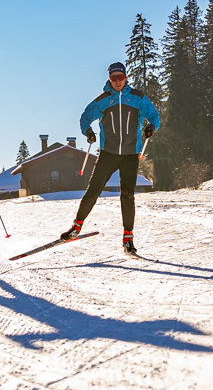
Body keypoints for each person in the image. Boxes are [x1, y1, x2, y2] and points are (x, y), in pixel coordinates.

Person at [61, 62, 161, 254]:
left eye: (120, 78)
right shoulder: (103, 100)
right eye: (113, 78)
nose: (117, 82)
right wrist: (88, 131)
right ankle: (76, 227)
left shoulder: (138, 98)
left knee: (127, 195)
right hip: (108, 153)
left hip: (131, 154)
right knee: (93, 191)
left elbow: (154, 115)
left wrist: (151, 127)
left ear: (125, 77)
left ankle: (128, 238)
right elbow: (85, 117)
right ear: (109, 79)